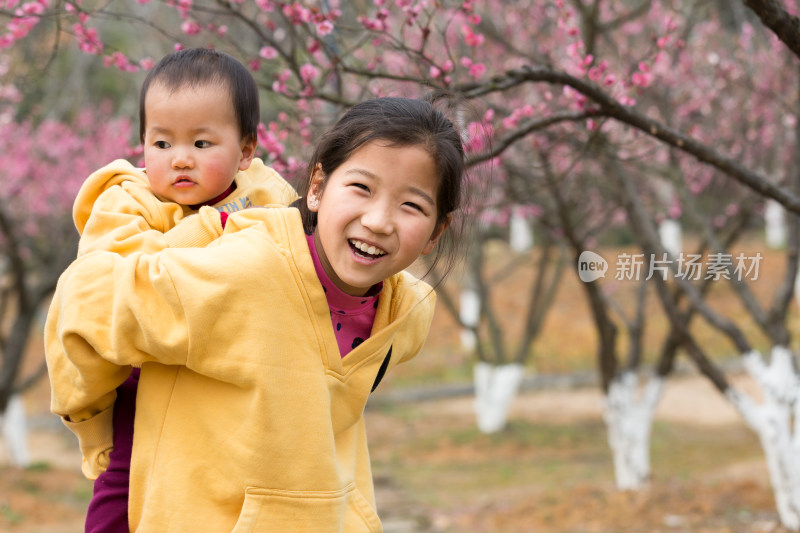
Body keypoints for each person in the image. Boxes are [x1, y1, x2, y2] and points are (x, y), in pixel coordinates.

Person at [45, 96, 467, 532]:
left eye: (411, 205)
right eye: (361, 188)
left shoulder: (406, 313)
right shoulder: (246, 270)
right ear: (318, 187)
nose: (379, 221)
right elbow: (87, 301)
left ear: (436, 232)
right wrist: (94, 423)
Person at [57, 47, 297, 533]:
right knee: (122, 484)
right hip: (144, 382)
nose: (180, 159)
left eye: (203, 144)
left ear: (246, 150)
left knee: (221, 489)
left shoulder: (269, 200)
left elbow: (290, 259)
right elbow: (121, 276)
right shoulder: (126, 201)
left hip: (230, 380)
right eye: (162, 144)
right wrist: (214, 230)